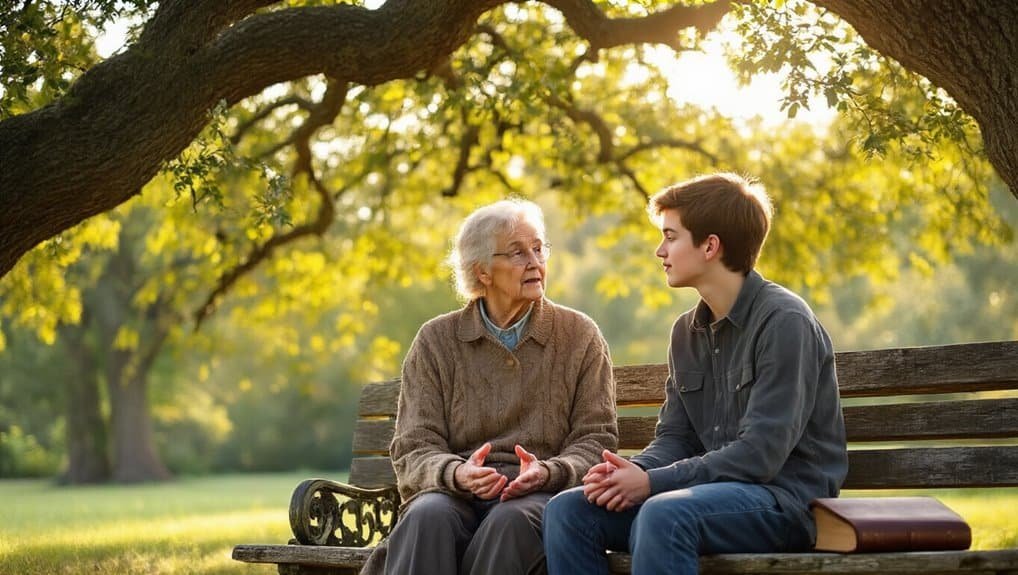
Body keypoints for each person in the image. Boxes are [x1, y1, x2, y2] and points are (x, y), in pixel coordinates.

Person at [543, 172, 848, 575]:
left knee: (664, 515)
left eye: (670, 237)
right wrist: (633, 472)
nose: (660, 250)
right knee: (569, 511)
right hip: (706, 498)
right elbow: (676, 438)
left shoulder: (785, 322)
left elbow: (760, 455)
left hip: (784, 502)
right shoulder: (686, 332)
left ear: (710, 246)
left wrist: (652, 484)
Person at [363, 198, 618, 575]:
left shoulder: (580, 335)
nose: (534, 262)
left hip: (538, 496)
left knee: (510, 522)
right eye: (517, 252)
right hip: (454, 493)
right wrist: (456, 473)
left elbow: (596, 440)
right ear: (481, 271)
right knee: (426, 516)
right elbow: (414, 445)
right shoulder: (436, 340)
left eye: (538, 248)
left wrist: (549, 472)